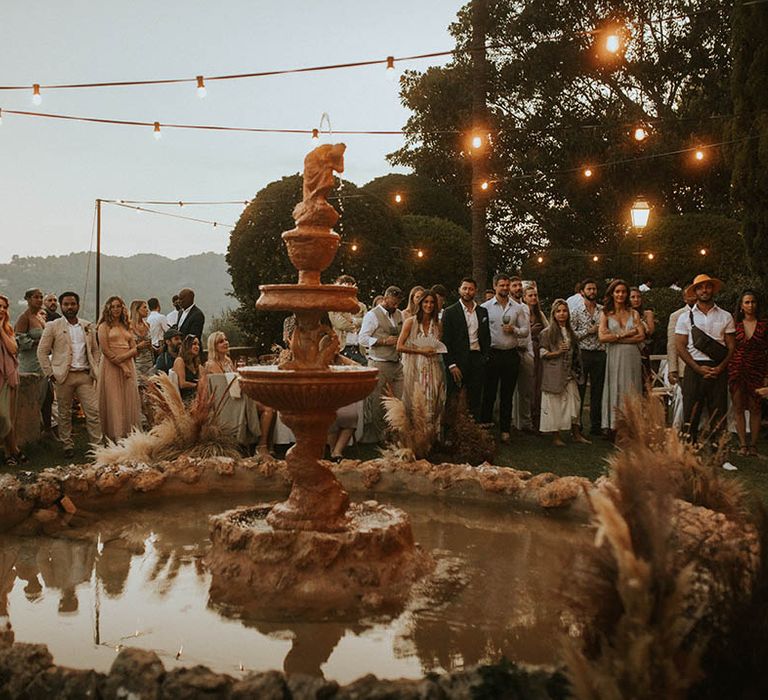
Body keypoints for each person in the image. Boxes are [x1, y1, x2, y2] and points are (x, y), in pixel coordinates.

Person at [37, 291, 103, 458]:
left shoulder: (87, 325)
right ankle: (67, 445)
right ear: (62, 306)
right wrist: (50, 373)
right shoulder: (53, 326)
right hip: (63, 376)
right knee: (64, 413)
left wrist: (93, 368)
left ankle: (98, 447)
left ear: (78, 305)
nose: (70, 307)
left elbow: (96, 350)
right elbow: (42, 352)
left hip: (84, 375)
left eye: (73, 304)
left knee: (93, 412)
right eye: (66, 304)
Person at [675, 274, 736, 444]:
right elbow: (680, 346)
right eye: (700, 287)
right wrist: (697, 368)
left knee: (718, 413)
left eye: (707, 286)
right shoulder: (684, 317)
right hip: (694, 368)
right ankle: (688, 453)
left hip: (718, 369)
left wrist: (721, 367)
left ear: (712, 289)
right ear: (695, 291)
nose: (704, 290)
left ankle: (720, 454)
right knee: (690, 413)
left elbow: (731, 346)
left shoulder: (725, 316)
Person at [205, 331, 275, 457]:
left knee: (272, 405)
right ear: (213, 346)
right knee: (268, 409)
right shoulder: (212, 365)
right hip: (229, 404)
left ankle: (267, 446)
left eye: (226, 340)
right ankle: (261, 446)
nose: (225, 343)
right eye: (221, 341)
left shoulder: (227, 360)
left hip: (237, 398)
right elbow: (225, 388)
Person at [480, 273, 529, 441]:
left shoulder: (517, 308)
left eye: (507, 285)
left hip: (510, 355)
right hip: (493, 354)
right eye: (502, 285)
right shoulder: (485, 307)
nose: (505, 288)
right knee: (489, 393)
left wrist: (514, 330)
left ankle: (505, 430)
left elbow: (525, 331)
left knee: (507, 394)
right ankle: (485, 428)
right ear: (495, 286)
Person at [539, 299, 589, 446]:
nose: (562, 314)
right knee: (555, 404)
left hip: (570, 373)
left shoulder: (571, 332)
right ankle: (556, 435)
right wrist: (557, 352)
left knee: (575, 402)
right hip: (555, 372)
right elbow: (542, 353)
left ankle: (576, 433)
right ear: (554, 314)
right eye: (559, 311)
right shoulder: (547, 332)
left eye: (564, 311)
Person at [599, 279, 645, 436]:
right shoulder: (606, 313)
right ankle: (614, 426)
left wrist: (617, 338)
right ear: (612, 293)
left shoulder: (634, 313)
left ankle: (632, 426)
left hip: (632, 356)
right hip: (614, 356)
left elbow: (641, 336)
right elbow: (602, 337)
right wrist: (624, 334)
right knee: (615, 386)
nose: (621, 295)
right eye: (617, 291)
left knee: (631, 387)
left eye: (623, 292)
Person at [359, 286, 405, 443]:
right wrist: (382, 341)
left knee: (399, 400)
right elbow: (363, 339)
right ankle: (380, 437)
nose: (396, 306)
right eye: (393, 302)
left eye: (398, 303)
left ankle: (394, 434)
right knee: (378, 402)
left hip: (397, 363)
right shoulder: (372, 315)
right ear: (385, 298)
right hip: (379, 362)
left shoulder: (399, 314)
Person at [442, 277, 491, 421]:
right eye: (464, 288)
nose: (467, 291)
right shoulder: (450, 312)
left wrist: (484, 357)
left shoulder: (482, 312)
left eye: (470, 289)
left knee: (475, 398)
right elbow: (445, 341)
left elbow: (486, 337)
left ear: (475, 291)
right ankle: (451, 434)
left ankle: (473, 433)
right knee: (454, 398)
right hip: (457, 361)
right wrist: (451, 364)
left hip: (477, 360)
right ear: (459, 290)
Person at [396, 291, 446, 432]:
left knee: (433, 400)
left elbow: (438, 345)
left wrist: (434, 350)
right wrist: (420, 351)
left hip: (433, 367)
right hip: (415, 367)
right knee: (415, 402)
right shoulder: (410, 322)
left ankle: (430, 436)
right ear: (420, 303)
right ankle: (415, 435)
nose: (429, 305)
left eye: (431, 302)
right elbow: (399, 346)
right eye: (426, 302)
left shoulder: (437, 324)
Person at [728, 290, 768, 456]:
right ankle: (743, 444)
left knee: (755, 407)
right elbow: (729, 348)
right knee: (738, 407)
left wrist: (767, 375)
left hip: (757, 369)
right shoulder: (734, 325)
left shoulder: (764, 325)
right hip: (737, 369)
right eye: (747, 302)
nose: (750, 305)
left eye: (753, 302)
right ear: (741, 306)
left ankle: (753, 445)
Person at [97, 296, 142, 442]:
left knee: (128, 398)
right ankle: (115, 435)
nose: (116, 309)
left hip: (128, 364)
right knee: (114, 399)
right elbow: (105, 350)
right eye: (113, 306)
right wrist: (122, 365)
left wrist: (126, 360)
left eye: (119, 306)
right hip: (111, 366)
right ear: (108, 309)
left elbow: (135, 348)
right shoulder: (104, 327)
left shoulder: (126, 326)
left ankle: (129, 434)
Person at [14, 288, 54, 434]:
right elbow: (19, 340)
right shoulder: (24, 317)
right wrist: (39, 343)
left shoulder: (41, 316)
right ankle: (30, 430)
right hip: (29, 361)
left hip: (42, 361)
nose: (39, 299)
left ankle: (47, 429)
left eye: (40, 297)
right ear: (28, 299)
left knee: (47, 396)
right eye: (35, 297)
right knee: (31, 395)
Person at [571, 278, 605, 436]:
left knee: (598, 391)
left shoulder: (603, 311)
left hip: (600, 353)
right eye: (589, 289)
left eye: (594, 289)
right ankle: (577, 426)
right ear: (582, 292)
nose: (592, 292)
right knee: (580, 390)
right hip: (583, 353)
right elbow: (571, 335)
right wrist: (588, 332)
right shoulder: (576, 311)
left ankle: (596, 425)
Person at [517, 284, 548, 433]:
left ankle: (537, 418)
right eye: (530, 295)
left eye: (535, 295)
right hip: (526, 349)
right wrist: (530, 330)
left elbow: (548, 331)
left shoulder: (540, 315)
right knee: (527, 385)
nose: (533, 298)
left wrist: (539, 333)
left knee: (538, 384)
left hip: (538, 350)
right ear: (524, 297)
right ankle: (525, 419)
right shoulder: (521, 312)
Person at [0, 294, 24, 465]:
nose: (1, 310)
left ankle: (11, 451)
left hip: (6, 378)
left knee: (6, 417)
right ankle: (12, 451)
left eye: (4, 307)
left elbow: (14, 349)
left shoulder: (7, 329)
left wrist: (0, 329)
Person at [329, 274, 367, 364]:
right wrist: (356, 324)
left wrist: (353, 321)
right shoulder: (333, 305)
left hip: (359, 348)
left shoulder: (361, 306)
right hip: (341, 348)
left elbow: (366, 322)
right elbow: (339, 324)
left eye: (350, 287)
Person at [129, 300, 155, 379]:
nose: (147, 310)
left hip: (149, 362)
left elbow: (150, 345)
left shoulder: (147, 325)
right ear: (136, 310)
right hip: (135, 362)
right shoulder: (129, 326)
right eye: (144, 307)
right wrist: (138, 346)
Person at [173, 334, 201, 404]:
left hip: (196, 397)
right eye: (194, 344)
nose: (197, 346)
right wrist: (197, 385)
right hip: (184, 399)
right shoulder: (180, 360)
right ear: (187, 346)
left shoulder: (195, 362)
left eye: (198, 344)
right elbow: (182, 384)